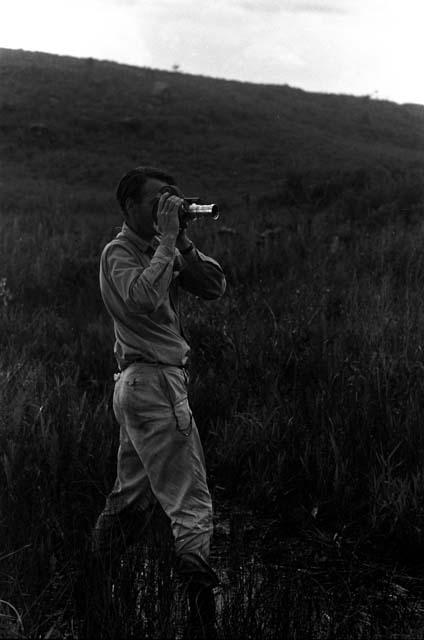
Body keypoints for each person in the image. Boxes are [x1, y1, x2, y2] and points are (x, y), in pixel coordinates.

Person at [91, 166, 226, 638]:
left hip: (144, 389)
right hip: (153, 387)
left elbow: (213, 286)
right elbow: (143, 299)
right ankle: (202, 618)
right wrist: (168, 242)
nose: (169, 210)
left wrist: (182, 242)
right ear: (129, 207)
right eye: (158, 203)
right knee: (190, 503)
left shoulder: (161, 248)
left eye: (174, 201)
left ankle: (92, 584)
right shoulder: (119, 252)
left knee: (130, 500)